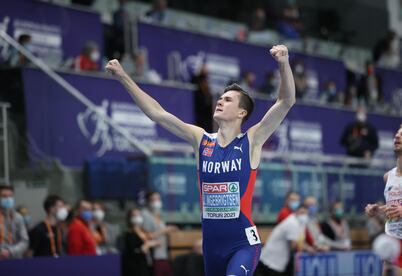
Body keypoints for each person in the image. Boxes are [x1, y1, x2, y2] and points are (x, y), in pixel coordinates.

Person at [105, 44, 295, 276]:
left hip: (243, 244)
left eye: (227, 100)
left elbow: (285, 101)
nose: (220, 101)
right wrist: (124, 77)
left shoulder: (252, 140)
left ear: (241, 113)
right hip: (212, 248)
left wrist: (284, 64)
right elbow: (157, 113)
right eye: (220, 98)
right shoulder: (200, 139)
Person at [365, 121, 402, 275]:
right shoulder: (388, 176)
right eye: (397, 134)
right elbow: (396, 206)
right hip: (395, 244)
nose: (398, 136)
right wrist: (378, 210)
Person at [256, 205, 315, 276]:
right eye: (302, 213)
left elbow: (300, 241)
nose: (304, 215)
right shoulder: (292, 223)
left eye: (306, 213)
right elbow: (294, 245)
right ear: (296, 212)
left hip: (277, 263)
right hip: (269, 263)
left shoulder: (301, 223)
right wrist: (309, 249)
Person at [142, 191, 178, 276]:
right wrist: (165, 230)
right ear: (148, 201)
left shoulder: (158, 214)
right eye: (153, 199)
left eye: (158, 199)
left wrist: (168, 230)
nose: (157, 202)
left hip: (164, 255)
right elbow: (146, 236)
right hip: (154, 256)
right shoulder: (145, 215)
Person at [122, 208, 160, 276]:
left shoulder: (145, 233)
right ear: (129, 218)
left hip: (148, 266)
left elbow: (154, 240)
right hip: (135, 269)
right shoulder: (129, 235)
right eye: (134, 215)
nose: (137, 217)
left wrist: (153, 243)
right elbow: (134, 252)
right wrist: (147, 245)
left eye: (139, 215)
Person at [0, 185, 29, 259]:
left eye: (10, 196)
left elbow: (24, 241)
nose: (8, 199)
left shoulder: (18, 217)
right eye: (4, 196)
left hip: (14, 259)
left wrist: (10, 251)